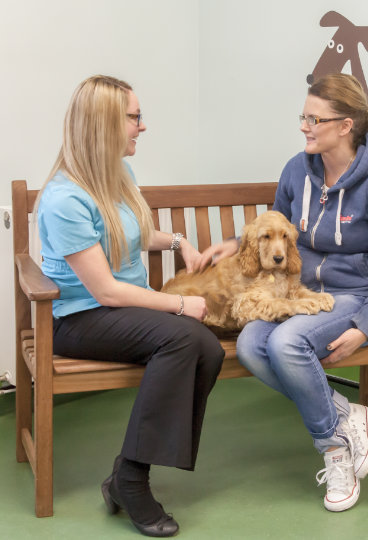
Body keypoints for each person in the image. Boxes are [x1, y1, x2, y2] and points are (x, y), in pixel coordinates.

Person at [198, 73, 368, 512]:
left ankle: (334, 452)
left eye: (314, 118)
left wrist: (365, 326)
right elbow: (276, 225)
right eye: (304, 116)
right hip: (296, 290)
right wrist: (239, 247)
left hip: (353, 297)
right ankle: (346, 417)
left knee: (287, 341)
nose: (304, 126)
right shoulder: (298, 168)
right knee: (253, 344)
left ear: (345, 126)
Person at [37, 75, 224, 537]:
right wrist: (181, 303)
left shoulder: (119, 175)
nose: (143, 126)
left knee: (211, 349)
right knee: (184, 338)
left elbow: (134, 234)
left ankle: (126, 471)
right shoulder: (64, 198)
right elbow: (106, 292)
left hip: (124, 312)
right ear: (105, 123)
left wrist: (178, 240)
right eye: (135, 117)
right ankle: (134, 481)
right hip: (80, 318)